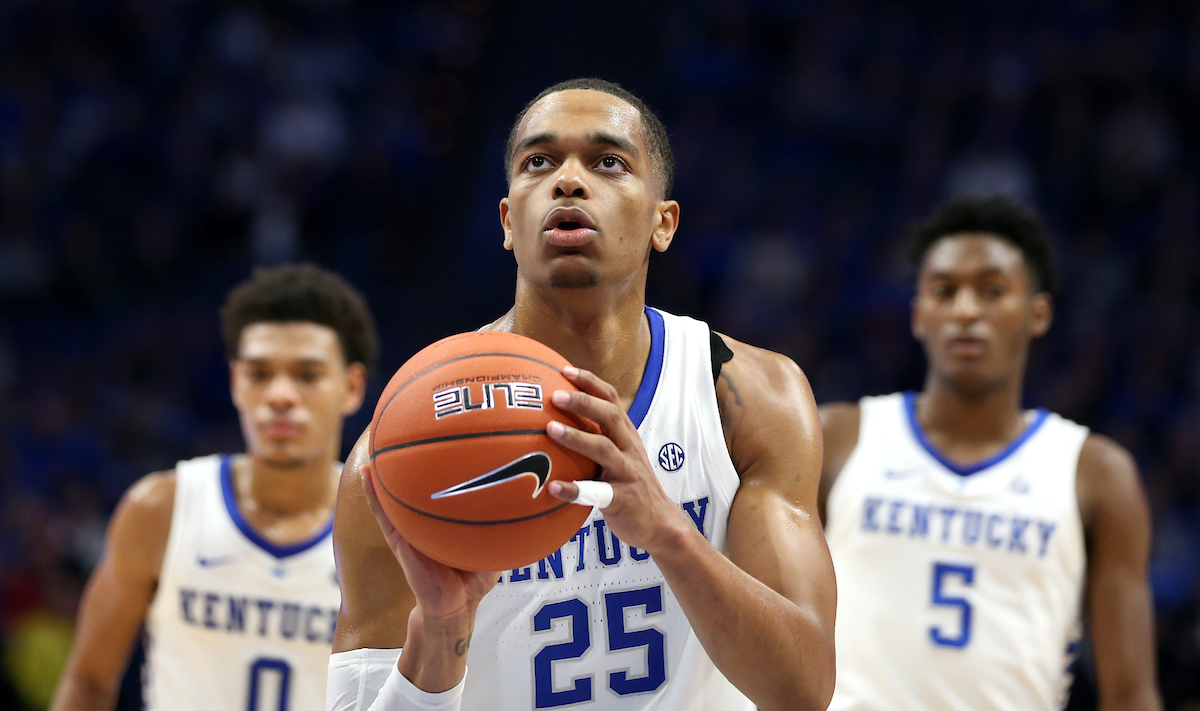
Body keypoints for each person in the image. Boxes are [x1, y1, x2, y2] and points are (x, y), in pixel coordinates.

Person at [327, 78, 836, 711]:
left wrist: (669, 535)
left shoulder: (749, 396)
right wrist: (441, 634)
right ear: (509, 222)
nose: (568, 181)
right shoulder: (402, 454)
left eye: (609, 162)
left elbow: (804, 689)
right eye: (537, 162)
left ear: (663, 222)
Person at [818, 195, 1161, 710]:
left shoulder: (1096, 474)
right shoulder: (838, 438)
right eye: (944, 291)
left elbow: (1131, 694)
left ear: (1038, 313)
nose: (966, 311)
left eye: (992, 290)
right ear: (917, 314)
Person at [50, 264, 379, 711]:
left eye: (307, 375)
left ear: (352, 387)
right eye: (260, 374)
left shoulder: (383, 528)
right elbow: (88, 681)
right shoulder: (161, 509)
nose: (280, 396)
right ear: (235, 382)